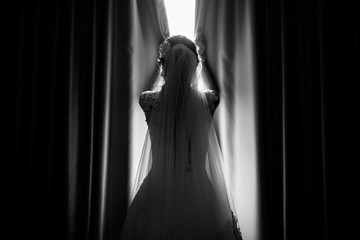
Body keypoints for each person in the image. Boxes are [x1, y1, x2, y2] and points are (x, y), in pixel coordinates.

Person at [120, 35, 243, 240]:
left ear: (163, 66)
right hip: (199, 192)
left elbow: (153, 85)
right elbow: (217, 90)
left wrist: (164, 64)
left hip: (156, 190)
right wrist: (203, 57)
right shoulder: (209, 101)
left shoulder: (148, 101)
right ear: (195, 67)